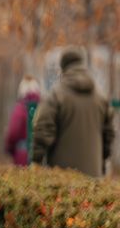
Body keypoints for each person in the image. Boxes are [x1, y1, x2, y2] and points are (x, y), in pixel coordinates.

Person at [30, 48, 115, 178]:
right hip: (93, 179)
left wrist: (36, 161)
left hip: (63, 180)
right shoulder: (101, 98)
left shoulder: (56, 96)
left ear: (63, 67)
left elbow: (42, 130)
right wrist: (102, 161)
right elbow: (109, 134)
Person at [4, 76, 42, 167]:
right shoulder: (42, 107)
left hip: (22, 156)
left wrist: (9, 149)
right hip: (40, 155)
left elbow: (13, 132)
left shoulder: (20, 108)